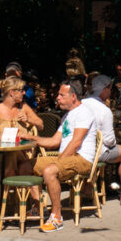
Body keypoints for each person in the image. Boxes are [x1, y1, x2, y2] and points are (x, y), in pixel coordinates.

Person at [29, 79, 98, 232]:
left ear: (73, 96)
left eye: (61, 95)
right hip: (67, 156)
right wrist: (31, 138)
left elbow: (75, 143)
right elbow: (54, 141)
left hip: (82, 159)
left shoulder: (84, 113)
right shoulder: (68, 116)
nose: (57, 97)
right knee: (26, 165)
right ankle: (38, 205)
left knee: (49, 171)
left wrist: (57, 162)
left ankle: (57, 217)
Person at [0, 77, 44, 213]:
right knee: (13, 155)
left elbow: (41, 125)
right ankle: (38, 205)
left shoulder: (24, 107)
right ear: (11, 92)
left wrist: (29, 119)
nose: (24, 93)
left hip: (24, 154)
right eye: (21, 90)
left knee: (15, 155)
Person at [82, 75, 121, 205]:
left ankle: (87, 188)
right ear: (105, 89)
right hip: (96, 153)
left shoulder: (80, 104)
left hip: (79, 150)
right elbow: (109, 141)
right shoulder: (104, 110)